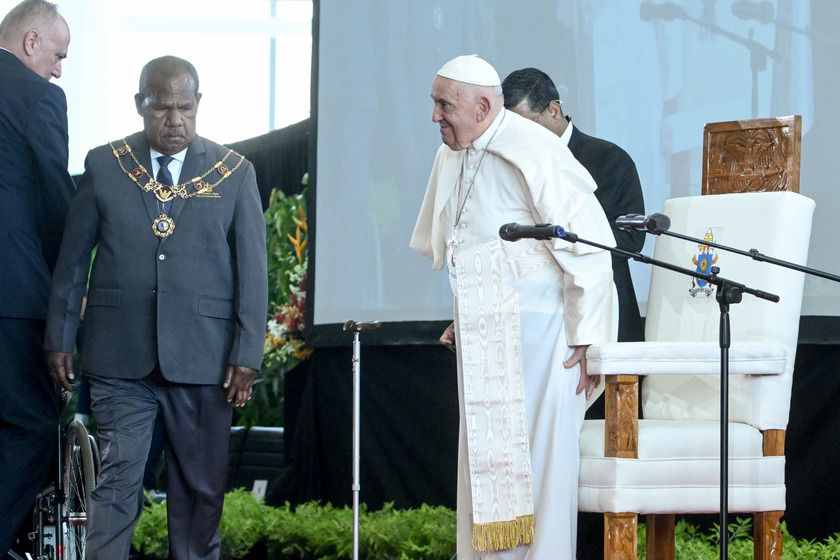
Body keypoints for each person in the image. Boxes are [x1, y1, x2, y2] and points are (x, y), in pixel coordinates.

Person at [45, 55, 268, 560]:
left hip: (206, 360)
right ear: (139, 104)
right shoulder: (105, 165)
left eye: (185, 108)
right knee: (118, 484)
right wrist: (59, 337)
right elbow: (72, 261)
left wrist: (247, 353)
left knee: (200, 493)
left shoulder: (234, 173)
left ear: (199, 104)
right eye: (162, 108)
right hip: (119, 357)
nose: (175, 120)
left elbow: (254, 272)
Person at [411, 54, 614, 559]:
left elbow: (589, 249)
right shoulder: (452, 154)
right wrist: (467, 315)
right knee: (484, 468)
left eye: (444, 105)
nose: (435, 116)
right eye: (435, 104)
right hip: (487, 340)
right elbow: (468, 243)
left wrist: (588, 336)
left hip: (545, 341)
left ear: (482, 105)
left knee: (540, 469)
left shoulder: (536, 149)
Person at [0, 1, 74, 555]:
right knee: (29, 425)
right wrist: (69, 288)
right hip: (14, 298)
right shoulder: (39, 98)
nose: (58, 69)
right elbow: (55, 204)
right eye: (57, 55)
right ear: (31, 43)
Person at [502, 67, 645, 343]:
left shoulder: (609, 159)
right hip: (539, 322)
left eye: (525, 125)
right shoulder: (513, 167)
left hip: (604, 313)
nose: (520, 138)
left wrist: (559, 244)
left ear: (553, 111)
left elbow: (630, 239)